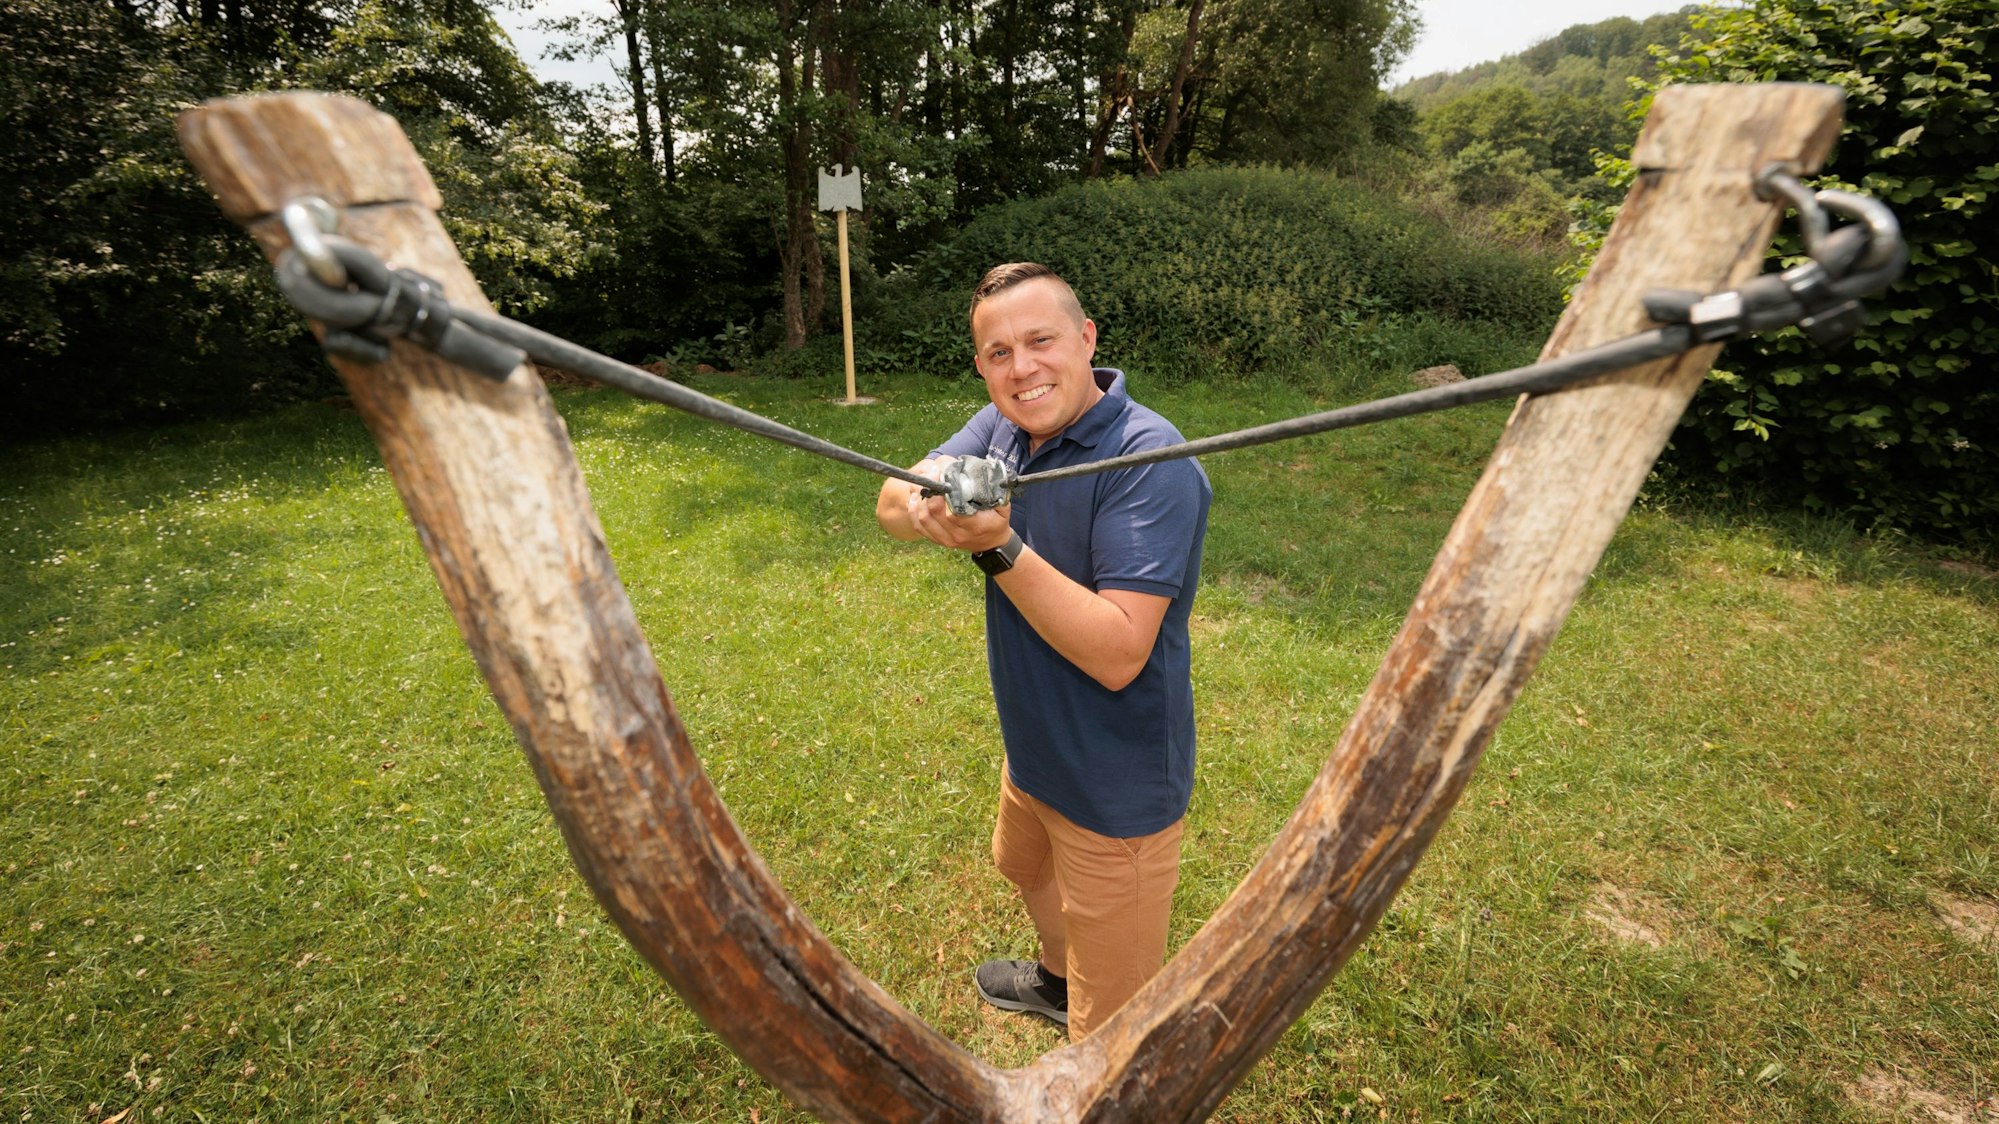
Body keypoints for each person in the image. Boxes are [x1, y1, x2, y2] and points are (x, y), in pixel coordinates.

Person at [874, 262, 1211, 1039]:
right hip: (1036, 750)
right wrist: (926, 497)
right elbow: (890, 500)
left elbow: (1119, 652)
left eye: (1039, 341)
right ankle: (1057, 984)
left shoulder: (1147, 459)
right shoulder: (1002, 429)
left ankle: (1093, 1038)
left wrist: (996, 548)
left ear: (1086, 339)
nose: (1021, 368)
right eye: (998, 353)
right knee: (1026, 869)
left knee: (1111, 1038)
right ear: (981, 366)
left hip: (1116, 785)